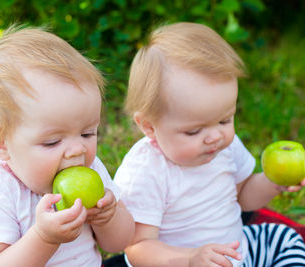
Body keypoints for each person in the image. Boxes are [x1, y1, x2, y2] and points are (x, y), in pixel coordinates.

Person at [114, 22, 305, 267]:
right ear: (149, 126)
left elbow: (243, 197)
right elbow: (138, 249)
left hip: (238, 252)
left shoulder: (225, 146)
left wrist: (273, 182)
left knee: (284, 239)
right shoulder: (146, 171)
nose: (215, 136)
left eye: (225, 120)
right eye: (194, 131)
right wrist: (190, 258)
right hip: (182, 262)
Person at [0, 25, 134, 267]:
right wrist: (44, 237)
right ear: (0, 143)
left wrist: (109, 217)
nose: (77, 150)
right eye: (52, 141)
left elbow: (119, 244)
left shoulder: (91, 168)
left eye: (87, 133)